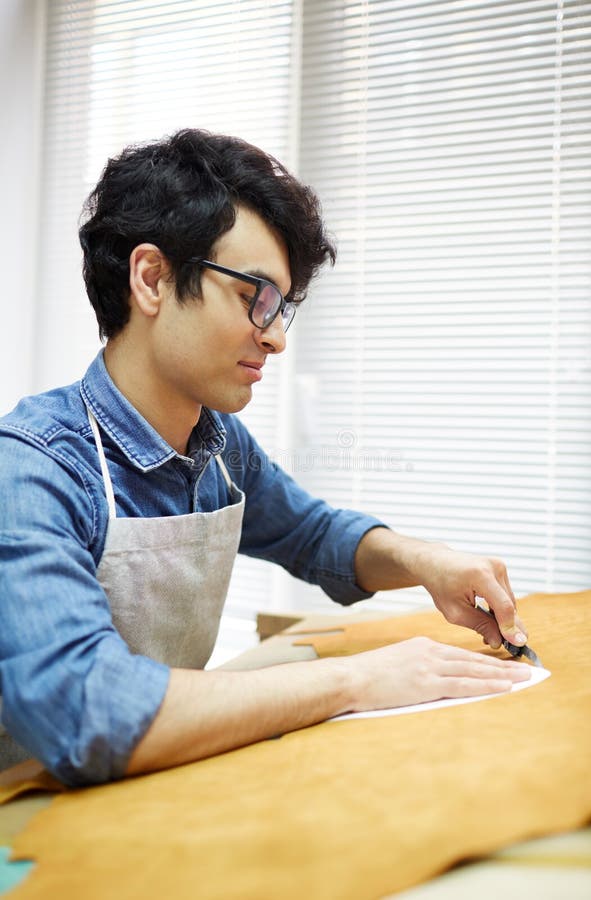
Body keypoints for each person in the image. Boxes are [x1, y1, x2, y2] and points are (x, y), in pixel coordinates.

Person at [0, 129, 531, 787]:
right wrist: (357, 678)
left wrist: (424, 561)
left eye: (283, 307)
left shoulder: (217, 443)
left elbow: (311, 534)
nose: (276, 338)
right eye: (256, 297)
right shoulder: (33, 470)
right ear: (153, 278)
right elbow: (87, 711)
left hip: (153, 792)